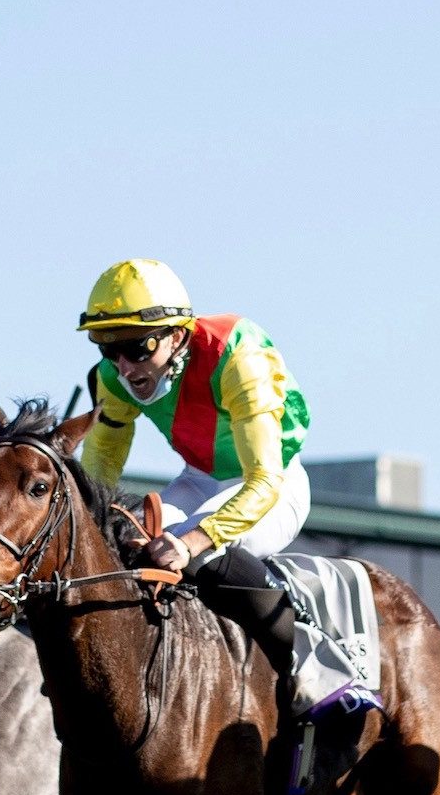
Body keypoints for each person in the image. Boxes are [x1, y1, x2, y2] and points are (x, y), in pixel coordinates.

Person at [75, 259, 363, 722]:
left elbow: (264, 481)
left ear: (177, 335)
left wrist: (191, 542)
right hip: (198, 478)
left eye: (136, 346)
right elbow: (98, 478)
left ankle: (324, 670)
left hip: (274, 483)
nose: (125, 366)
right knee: (124, 545)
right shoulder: (113, 378)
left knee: (194, 549)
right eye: (108, 349)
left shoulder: (237, 354)